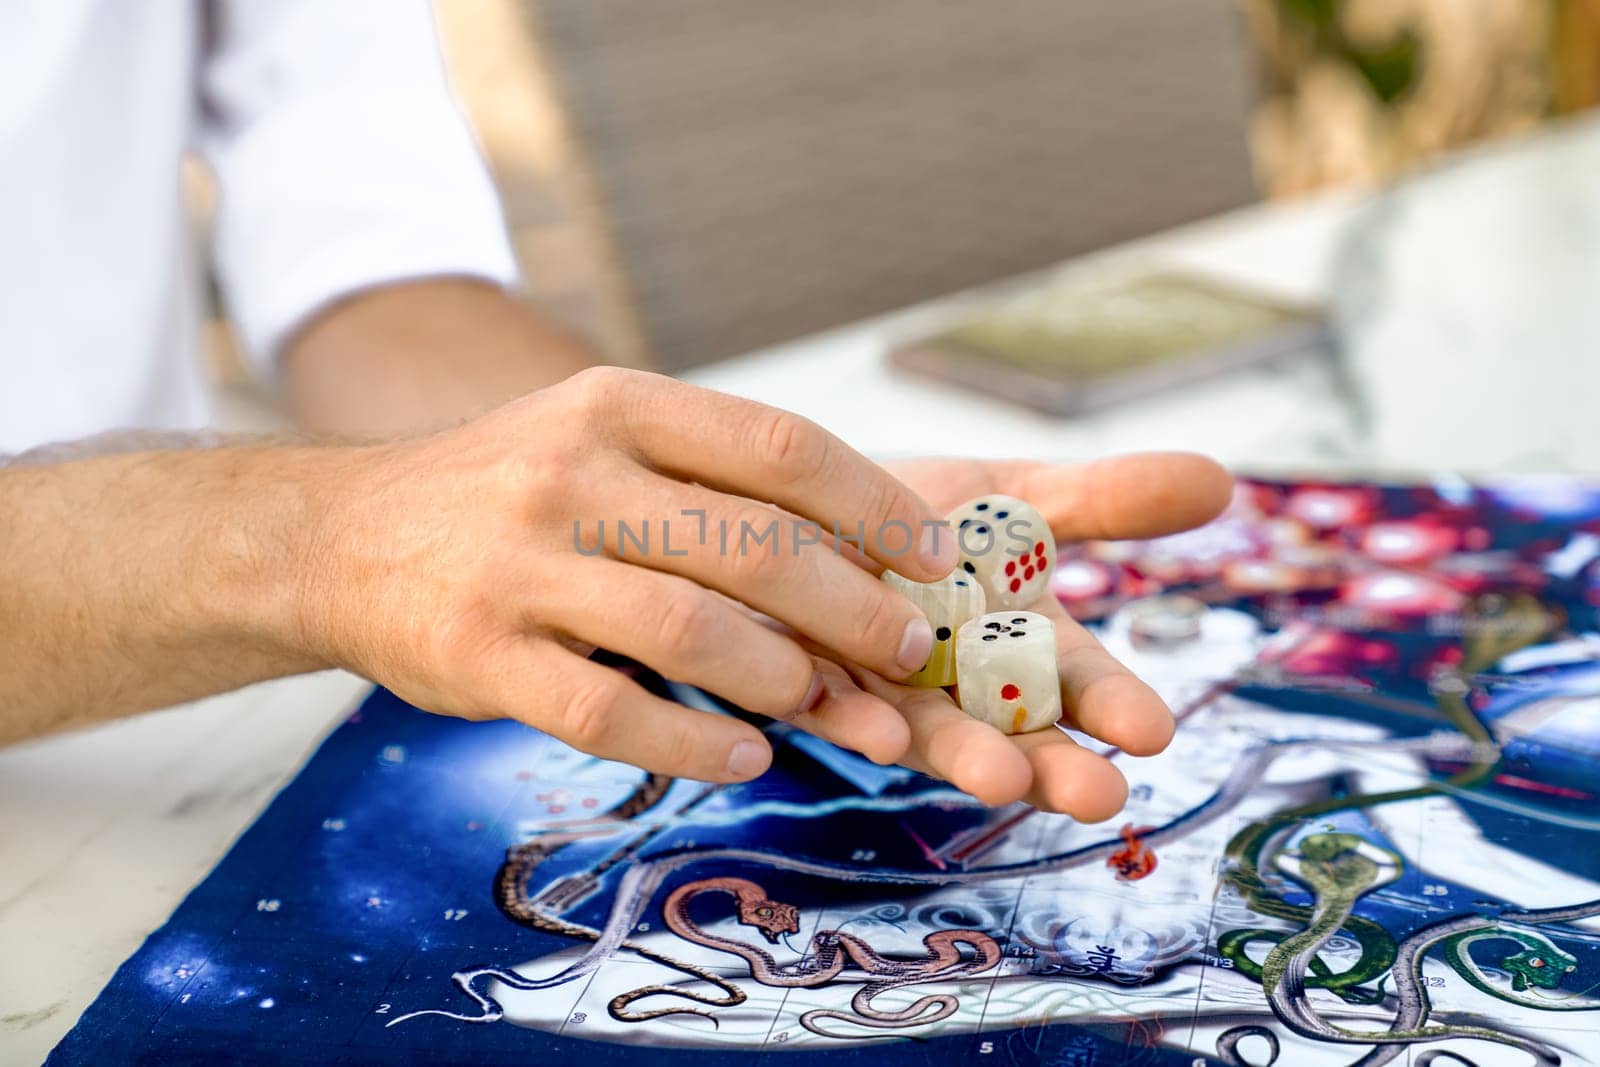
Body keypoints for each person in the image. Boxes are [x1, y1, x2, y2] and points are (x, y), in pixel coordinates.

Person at [0, 1, 1232, 820]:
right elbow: (332, 524)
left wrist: (673, 500)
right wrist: (315, 536)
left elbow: (362, 250)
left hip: (174, 767)